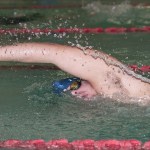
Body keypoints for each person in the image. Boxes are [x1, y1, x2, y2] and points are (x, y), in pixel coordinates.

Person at [0, 42, 150, 100]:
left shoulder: (106, 73)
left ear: (83, 76)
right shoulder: (119, 95)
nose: (76, 94)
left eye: (75, 87)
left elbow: (50, 53)